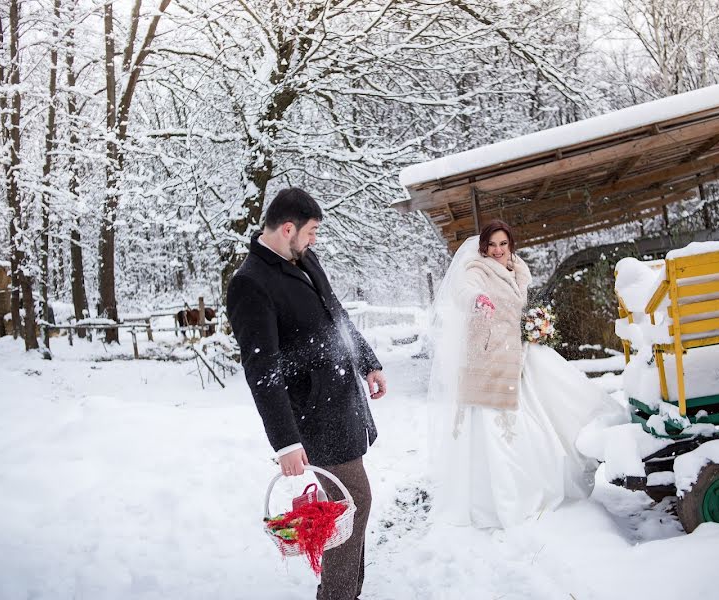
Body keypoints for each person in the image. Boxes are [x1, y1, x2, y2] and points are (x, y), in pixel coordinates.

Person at [227, 188, 387, 599]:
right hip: (313, 415)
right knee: (353, 505)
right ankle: (337, 595)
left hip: (342, 399)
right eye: (311, 231)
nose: (315, 239)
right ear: (287, 228)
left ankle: (348, 590)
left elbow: (335, 312)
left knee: (351, 506)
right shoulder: (250, 284)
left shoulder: (303, 258)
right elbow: (261, 372)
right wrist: (286, 442)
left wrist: (367, 360)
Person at [427, 220, 625, 529]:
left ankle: (593, 442)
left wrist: (534, 324)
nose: (497, 250)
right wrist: (477, 300)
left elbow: (516, 308)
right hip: (490, 358)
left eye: (503, 244)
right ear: (483, 247)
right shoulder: (476, 269)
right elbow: (464, 289)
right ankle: (504, 498)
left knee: (554, 399)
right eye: (491, 245)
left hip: (516, 353)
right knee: (501, 427)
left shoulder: (516, 270)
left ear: (511, 245)